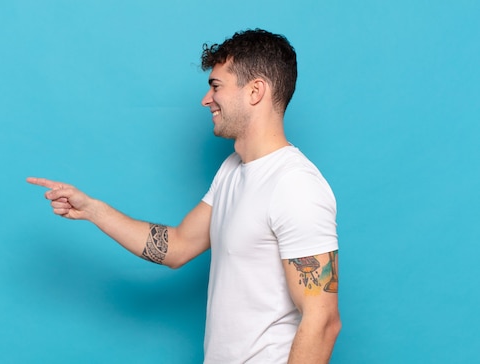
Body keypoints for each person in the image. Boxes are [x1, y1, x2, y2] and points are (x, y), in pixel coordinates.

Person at [28, 29, 341, 364]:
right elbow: (176, 246)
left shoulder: (294, 184)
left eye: (216, 86)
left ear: (255, 91)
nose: (206, 99)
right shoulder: (232, 171)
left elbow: (322, 320)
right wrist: (93, 210)